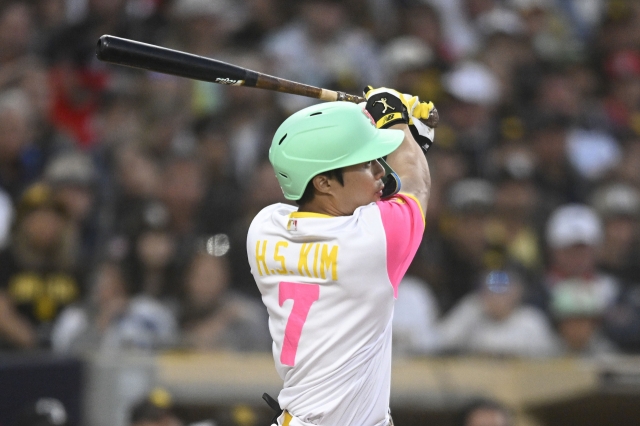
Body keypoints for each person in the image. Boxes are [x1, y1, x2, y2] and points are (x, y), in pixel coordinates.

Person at [247, 88, 434, 426]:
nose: (379, 172)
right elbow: (414, 184)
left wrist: (389, 127)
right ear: (322, 183)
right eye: (365, 164)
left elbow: (396, 185)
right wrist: (394, 116)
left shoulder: (263, 227)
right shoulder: (372, 242)